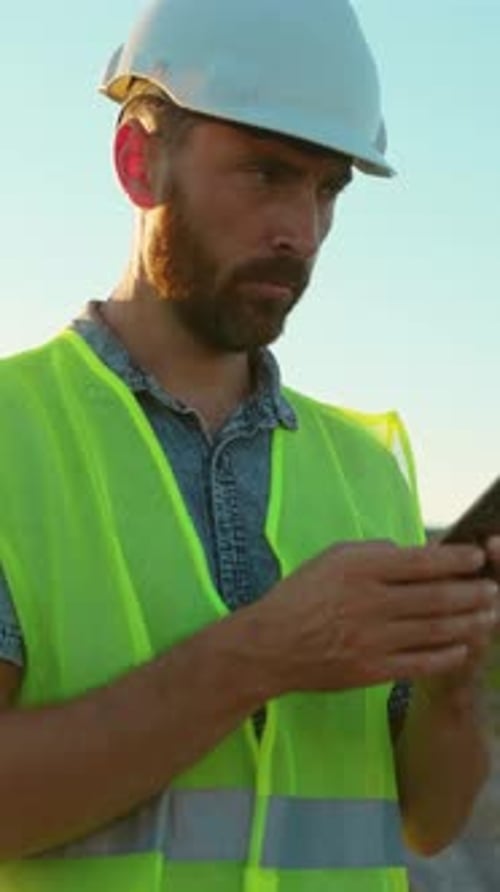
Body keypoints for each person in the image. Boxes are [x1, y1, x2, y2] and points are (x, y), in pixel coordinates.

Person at [0, 1, 498, 890]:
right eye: (267, 173)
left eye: (328, 189)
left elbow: (428, 822)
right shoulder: (13, 435)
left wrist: (450, 690)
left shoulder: (365, 470)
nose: (301, 232)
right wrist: (264, 655)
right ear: (138, 162)